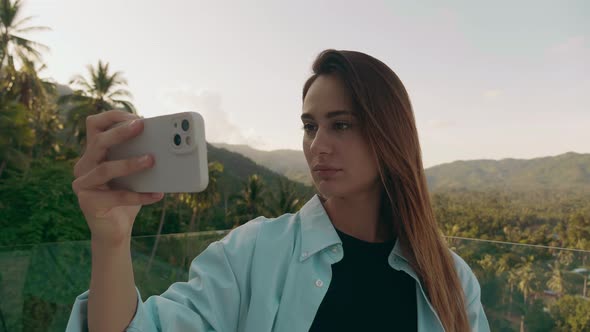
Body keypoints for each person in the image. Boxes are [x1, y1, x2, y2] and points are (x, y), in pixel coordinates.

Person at [66, 49, 490, 331]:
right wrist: (112, 242)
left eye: (340, 124)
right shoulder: (253, 251)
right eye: (310, 126)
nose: (317, 144)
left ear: (390, 136)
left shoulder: (450, 280)